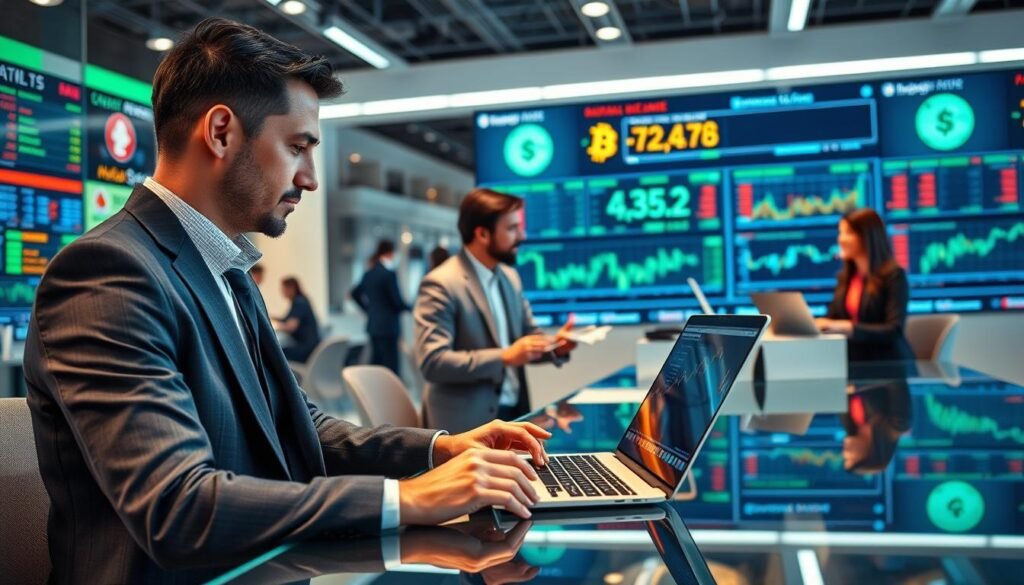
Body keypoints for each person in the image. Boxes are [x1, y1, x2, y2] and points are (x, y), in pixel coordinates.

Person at [23, 19, 550, 584]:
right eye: (298, 147)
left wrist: (439, 450)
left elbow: (301, 426)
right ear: (221, 132)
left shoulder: (224, 268)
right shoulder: (108, 272)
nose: (312, 178)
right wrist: (407, 500)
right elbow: (177, 508)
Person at [414, 188, 577, 433]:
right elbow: (433, 362)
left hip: (514, 414)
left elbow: (527, 339)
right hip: (464, 427)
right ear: (482, 234)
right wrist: (504, 357)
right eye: (512, 228)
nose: (522, 236)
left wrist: (555, 347)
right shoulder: (441, 283)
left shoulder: (509, 278)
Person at [815, 208, 914, 362]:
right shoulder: (847, 277)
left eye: (848, 233)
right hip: (852, 362)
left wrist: (848, 327)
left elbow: (894, 330)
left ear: (867, 237)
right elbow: (832, 319)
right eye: (840, 233)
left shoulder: (894, 276)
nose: (841, 240)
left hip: (886, 367)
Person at [351, 239, 411, 375]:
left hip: (374, 326)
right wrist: (410, 307)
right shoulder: (389, 275)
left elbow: (354, 293)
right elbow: (397, 302)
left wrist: (368, 309)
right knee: (390, 368)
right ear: (390, 253)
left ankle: (374, 395)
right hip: (388, 327)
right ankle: (390, 396)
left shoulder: (369, 273)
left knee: (377, 365)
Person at [276, 275, 322, 363]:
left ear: (291, 288)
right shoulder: (301, 300)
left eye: (283, 289)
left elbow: (291, 327)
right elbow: (286, 319)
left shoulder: (299, 302)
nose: (282, 292)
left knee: (275, 353)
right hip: (310, 345)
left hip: (306, 348)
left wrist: (275, 327)